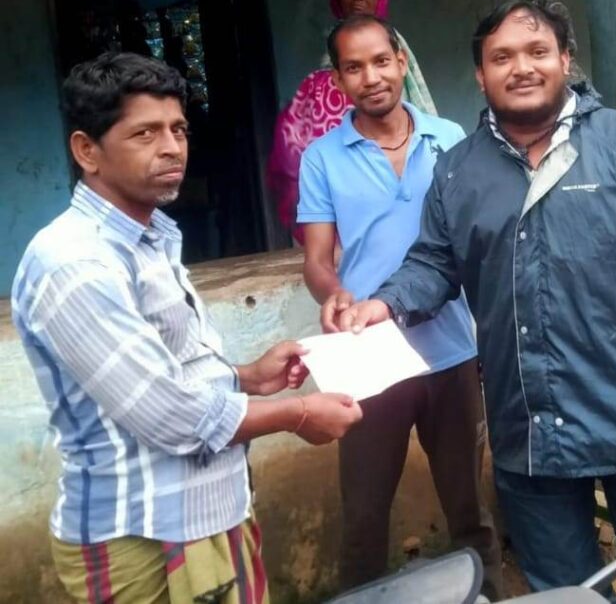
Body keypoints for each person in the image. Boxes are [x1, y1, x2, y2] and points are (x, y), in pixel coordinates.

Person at [338, 0, 616, 593]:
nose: (521, 67)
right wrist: (384, 303)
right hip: (529, 427)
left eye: (537, 51)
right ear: (480, 74)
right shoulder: (458, 170)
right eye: (502, 57)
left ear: (565, 60)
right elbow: (435, 261)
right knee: (564, 592)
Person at [12, 52, 363, 604]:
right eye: (145, 133)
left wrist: (246, 376)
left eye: (178, 129)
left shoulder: (149, 236)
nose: (172, 146)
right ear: (87, 151)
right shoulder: (75, 264)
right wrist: (296, 414)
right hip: (142, 535)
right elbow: (170, 415)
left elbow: (168, 368)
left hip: (208, 509)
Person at [298, 14, 502, 597]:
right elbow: (317, 259)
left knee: (470, 508)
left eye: (381, 61)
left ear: (401, 62)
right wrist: (333, 292)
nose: (371, 77)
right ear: (339, 80)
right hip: (369, 357)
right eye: (354, 67)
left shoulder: (449, 137)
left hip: (451, 350)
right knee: (365, 515)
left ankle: (488, 594)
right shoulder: (322, 157)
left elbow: (475, 237)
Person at [267, 0, 436, 242]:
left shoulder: (395, 42)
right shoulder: (319, 77)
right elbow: (295, 142)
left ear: (400, 63)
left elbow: (417, 101)